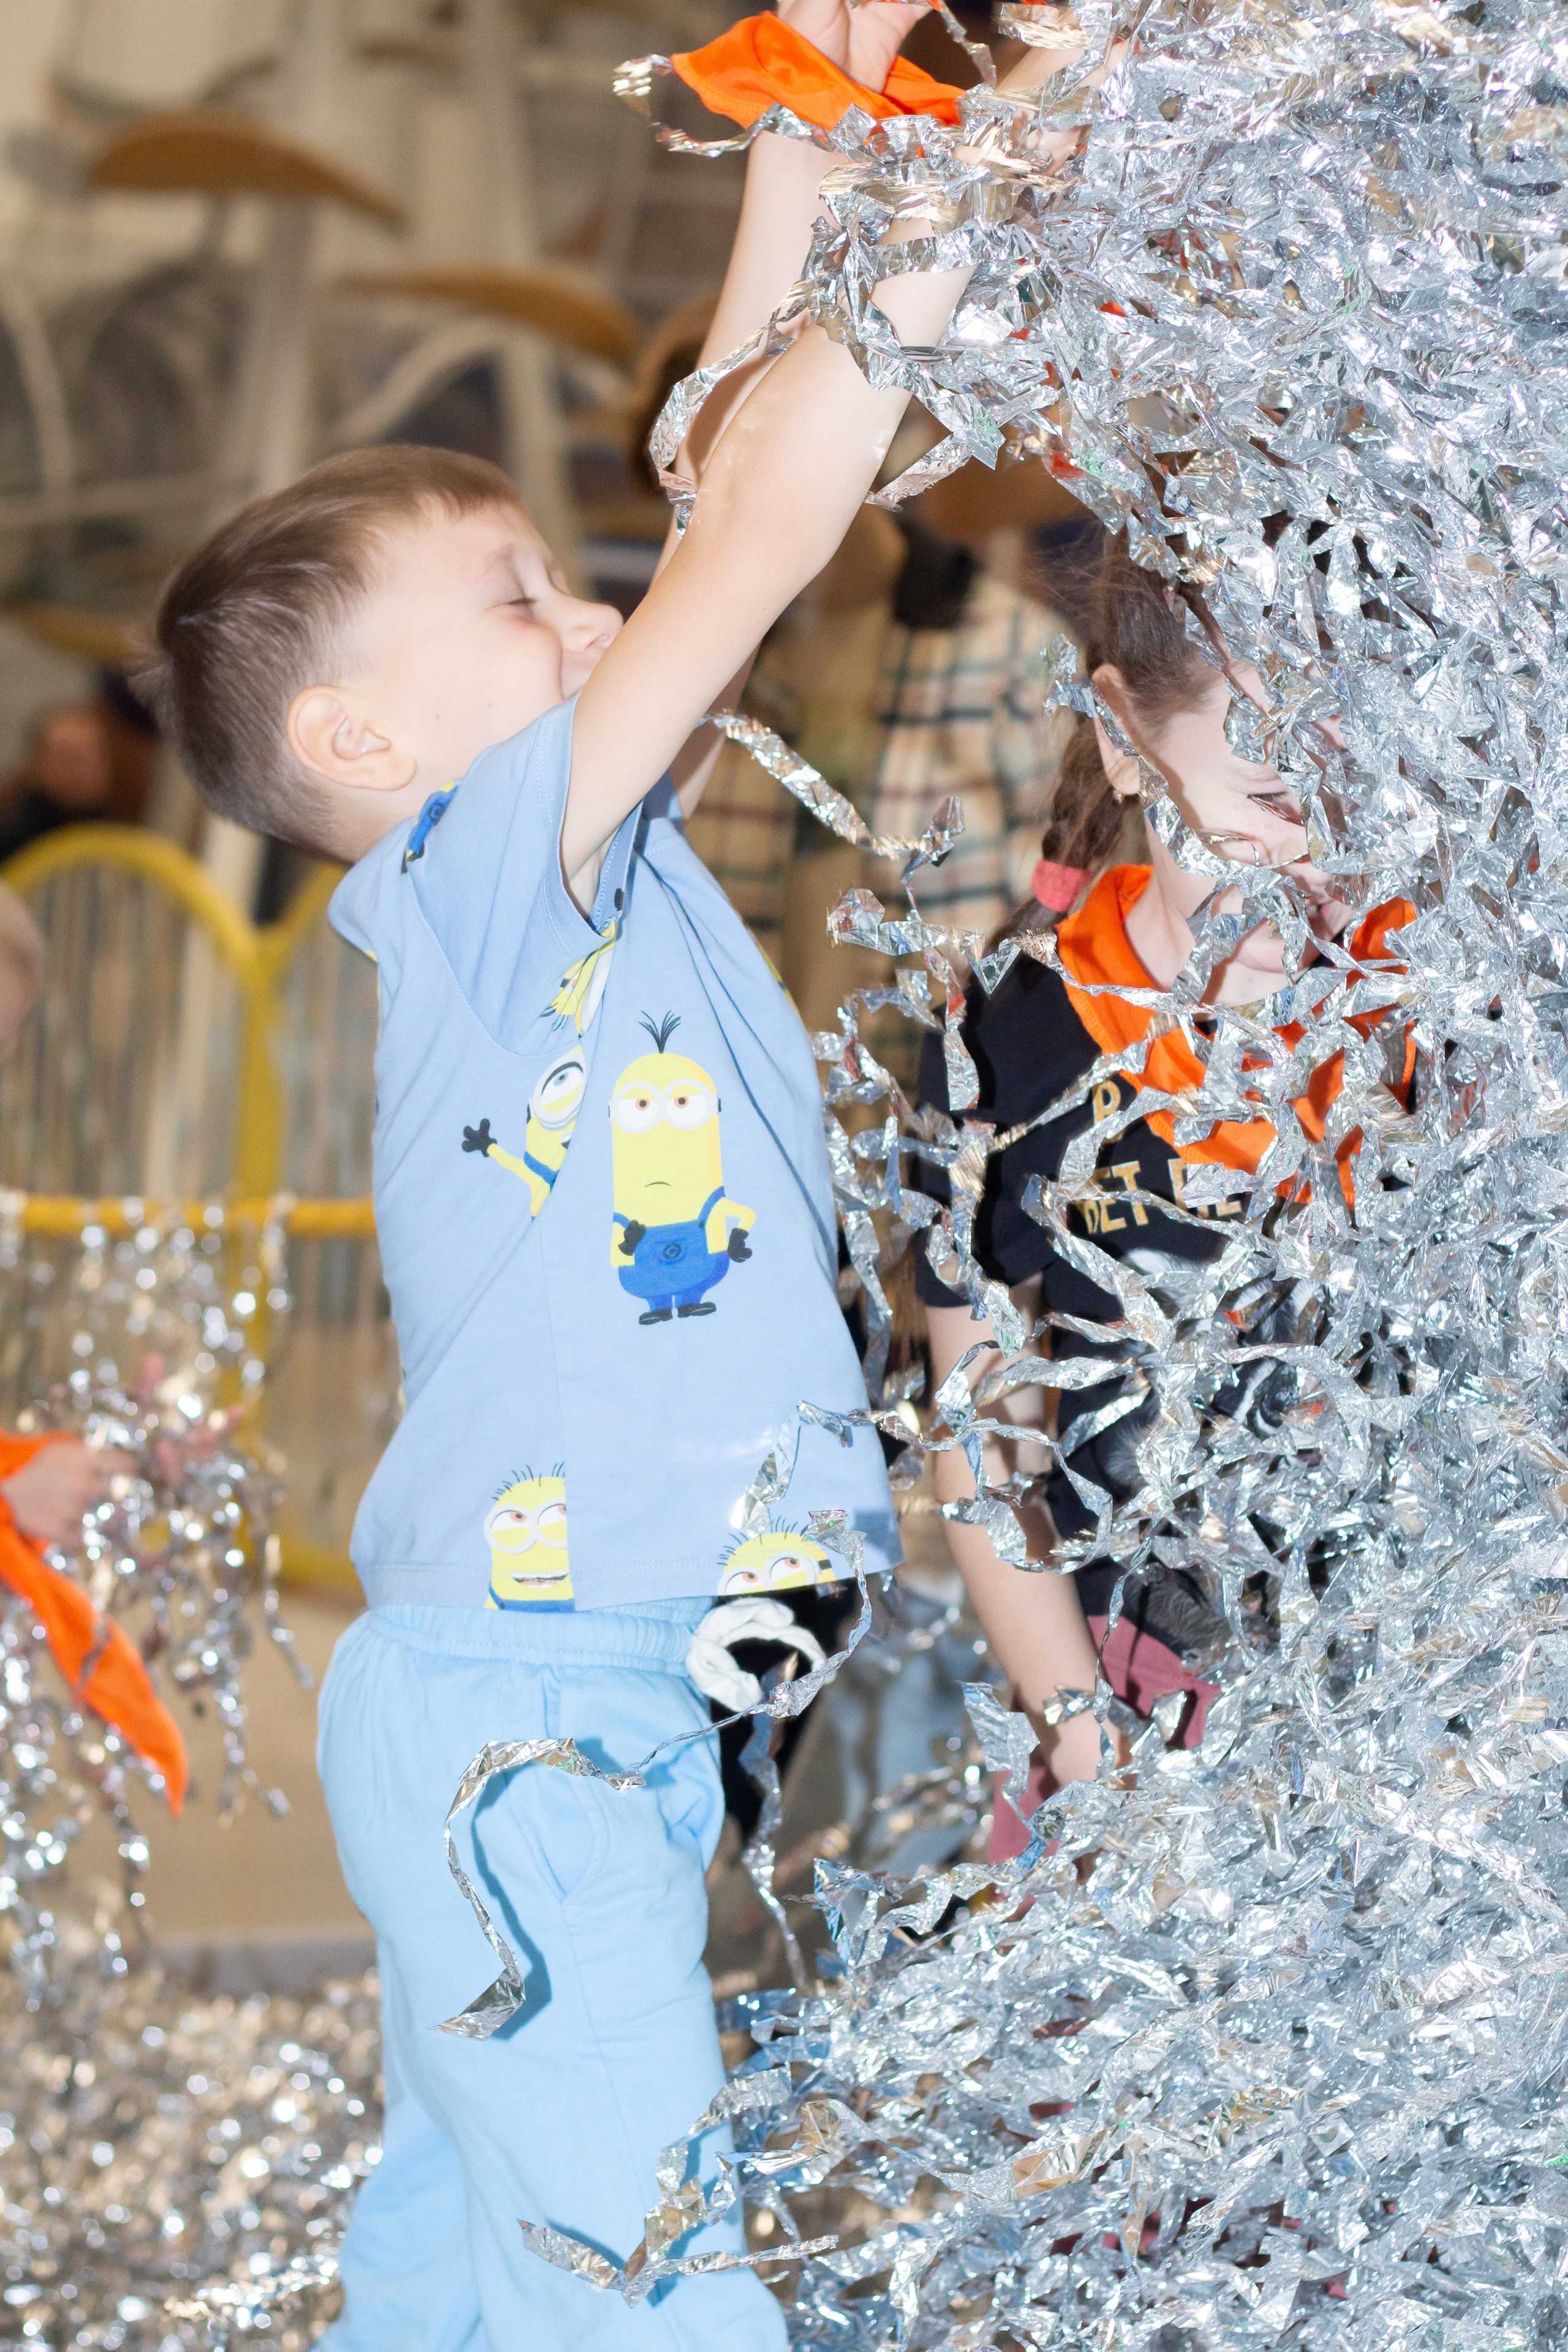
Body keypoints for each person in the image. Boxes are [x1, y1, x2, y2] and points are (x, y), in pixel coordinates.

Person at [137, 7, 1072, 2344]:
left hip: (559, 1702)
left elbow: (709, 468)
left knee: (489, 2222)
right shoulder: (478, 865)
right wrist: (951, 213)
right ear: (361, 739)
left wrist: (805, 131)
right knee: (633, 2248)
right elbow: (746, 541)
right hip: (528, 1714)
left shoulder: (561, 860)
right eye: (515, 599)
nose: (582, 618)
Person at [914, 535, 1414, 1858]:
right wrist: (1092, 1751)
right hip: (1142, 1693)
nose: (1313, 853)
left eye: (1358, 794)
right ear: (1125, 740)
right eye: (1272, 794)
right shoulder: (1010, 1037)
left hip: (1413, 1707)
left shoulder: (1431, 1018)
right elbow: (979, 1438)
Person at [0, 704, 115, 867]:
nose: (82, 770)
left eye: (92, 757)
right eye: (68, 758)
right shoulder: (12, 837)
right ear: (37, 763)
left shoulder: (117, 834)